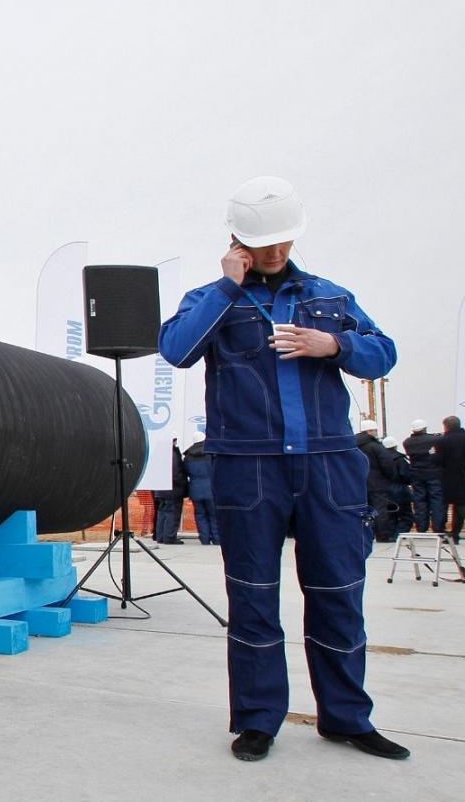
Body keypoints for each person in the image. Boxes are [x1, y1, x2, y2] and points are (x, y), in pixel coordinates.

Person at [159, 176, 407, 762]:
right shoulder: (211, 298)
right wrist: (228, 286)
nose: (274, 251)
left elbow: (384, 353)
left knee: (338, 593)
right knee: (253, 596)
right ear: (237, 240)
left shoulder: (331, 298)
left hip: (328, 464)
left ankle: (346, 717)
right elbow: (177, 349)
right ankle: (257, 719)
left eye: (282, 240)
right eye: (261, 242)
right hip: (248, 468)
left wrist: (334, 346)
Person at [355, 420, 398, 543]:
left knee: (361, 510)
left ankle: (364, 535)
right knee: (379, 509)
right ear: (370, 431)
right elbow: (387, 464)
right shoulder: (375, 446)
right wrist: (390, 477)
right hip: (376, 483)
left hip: (357, 483)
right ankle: (383, 535)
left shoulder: (353, 445)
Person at [403, 419, 445, 535]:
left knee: (419, 500)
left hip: (416, 474)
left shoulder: (407, 442)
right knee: (436, 500)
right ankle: (438, 528)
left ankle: (421, 527)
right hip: (434, 473)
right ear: (425, 428)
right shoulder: (434, 439)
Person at [183, 431, 220, 544]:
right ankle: (217, 538)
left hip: (195, 490)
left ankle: (204, 539)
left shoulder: (188, 457)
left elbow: (185, 473)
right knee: (214, 515)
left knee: (200, 515)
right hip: (211, 489)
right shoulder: (210, 454)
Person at [153, 439, 188, 544]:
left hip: (160, 489)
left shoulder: (158, 453)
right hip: (172, 489)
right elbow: (175, 473)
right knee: (172, 512)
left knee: (162, 512)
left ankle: (160, 536)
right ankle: (169, 536)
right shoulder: (172, 454)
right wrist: (183, 483)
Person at [438, 416, 465, 544]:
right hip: (462, 477)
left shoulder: (442, 441)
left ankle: (447, 533)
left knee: (444, 506)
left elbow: (437, 459)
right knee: (461, 506)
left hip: (448, 478)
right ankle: (455, 534)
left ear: (446, 426)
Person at [381, 436, 414, 539]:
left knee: (390, 516)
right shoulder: (400, 459)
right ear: (395, 446)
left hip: (384, 492)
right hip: (400, 491)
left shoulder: (380, 459)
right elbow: (406, 476)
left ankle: (390, 535)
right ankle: (398, 535)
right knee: (406, 515)